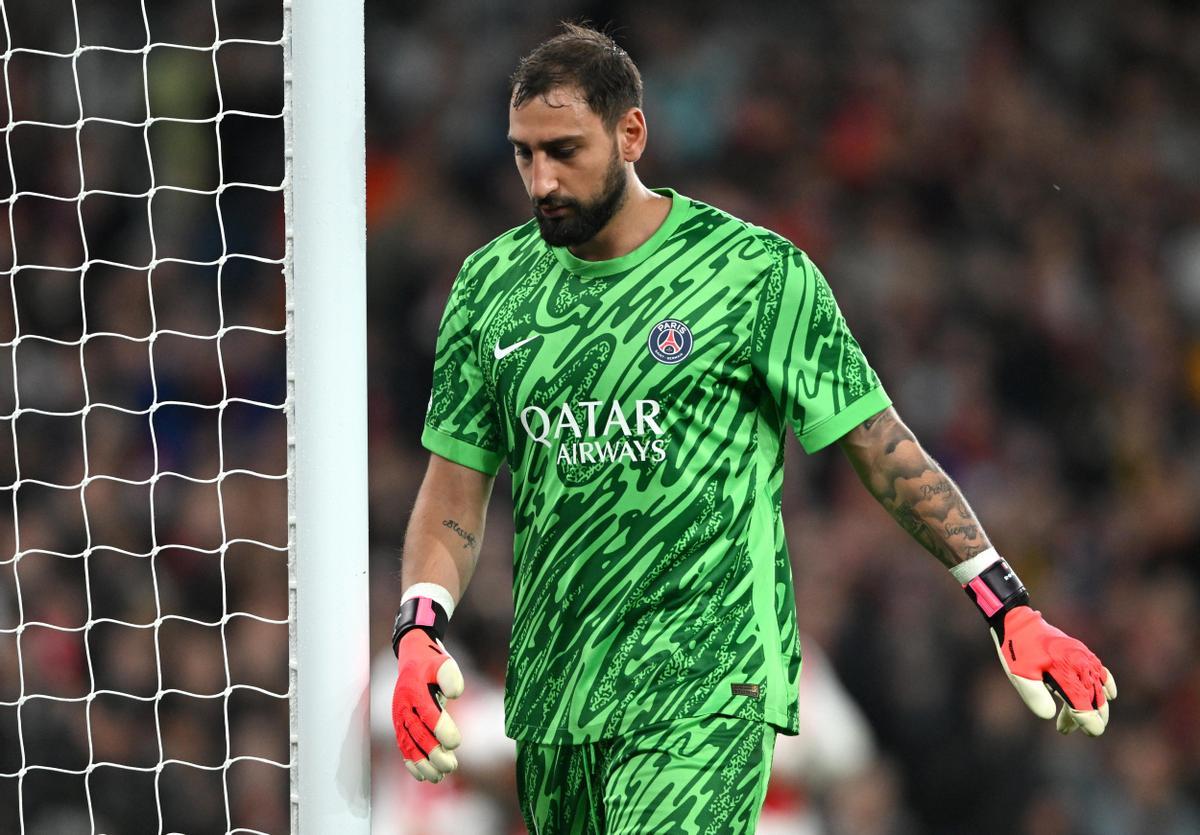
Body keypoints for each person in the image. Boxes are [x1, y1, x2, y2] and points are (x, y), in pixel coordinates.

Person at [389, 22, 1116, 834]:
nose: (542, 178)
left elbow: (878, 445)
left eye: (565, 149)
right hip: (557, 692)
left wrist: (1006, 604)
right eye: (525, 154)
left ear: (632, 133)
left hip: (706, 679)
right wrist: (420, 627)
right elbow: (455, 485)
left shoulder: (752, 275)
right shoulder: (491, 285)